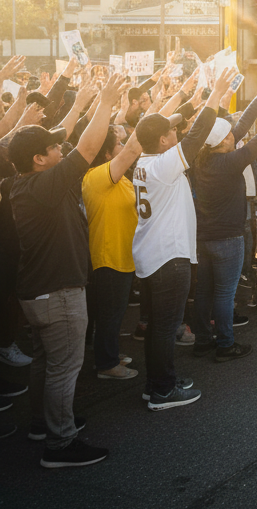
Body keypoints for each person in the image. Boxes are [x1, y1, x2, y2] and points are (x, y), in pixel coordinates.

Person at [7, 71, 127, 468]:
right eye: (53, 147)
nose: (61, 149)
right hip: (57, 294)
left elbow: (70, 140)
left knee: (46, 363)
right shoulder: (46, 185)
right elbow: (89, 148)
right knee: (64, 370)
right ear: (39, 160)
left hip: (39, 293)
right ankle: (60, 445)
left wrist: (80, 105)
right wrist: (106, 102)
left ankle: (43, 423)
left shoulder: (26, 181)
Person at [132, 66, 234, 411]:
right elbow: (196, 137)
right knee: (165, 328)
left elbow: (177, 126)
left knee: (158, 327)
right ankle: (162, 390)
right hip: (167, 259)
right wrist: (216, 93)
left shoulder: (144, 162)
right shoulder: (163, 165)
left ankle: (155, 384)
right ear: (162, 139)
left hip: (150, 256)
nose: (176, 134)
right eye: (171, 132)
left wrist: (193, 99)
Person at [192, 69, 257, 361]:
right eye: (230, 136)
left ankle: (203, 341)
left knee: (204, 292)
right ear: (224, 143)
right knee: (224, 294)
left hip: (203, 237)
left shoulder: (201, 157)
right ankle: (225, 345)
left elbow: (243, 128)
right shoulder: (230, 163)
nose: (235, 136)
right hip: (228, 239)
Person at [82, 123, 142, 380]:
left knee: (113, 314)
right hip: (108, 258)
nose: (123, 147)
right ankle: (106, 365)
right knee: (109, 314)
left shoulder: (120, 177)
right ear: (107, 154)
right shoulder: (96, 177)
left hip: (124, 257)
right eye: (118, 144)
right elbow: (131, 150)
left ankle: (109, 354)